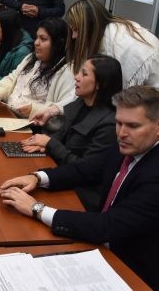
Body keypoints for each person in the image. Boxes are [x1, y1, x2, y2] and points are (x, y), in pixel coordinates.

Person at [0, 86, 159, 290]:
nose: (122, 133)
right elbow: (86, 169)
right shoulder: (132, 144)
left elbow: (107, 226)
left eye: (133, 125)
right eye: (119, 123)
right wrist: (37, 177)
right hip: (112, 248)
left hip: (143, 273)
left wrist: (37, 209)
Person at [20, 54, 122, 210]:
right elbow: (62, 136)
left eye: (84, 74)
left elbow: (87, 171)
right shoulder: (81, 104)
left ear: (99, 84)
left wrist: (50, 143)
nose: (76, 77)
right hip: (59, 174)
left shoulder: (109, 124)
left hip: (79, 192)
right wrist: (44, 144)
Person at [65, 0, 159, 98]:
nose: (74, 36)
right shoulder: (108, 33)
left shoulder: (122, 45)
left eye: (76, 30)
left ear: (91, 26)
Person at [0, 18, 73, 120]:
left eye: (43, 39)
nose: (36, 43)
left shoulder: (66, 71)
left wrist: (34, 110)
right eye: (36, 37)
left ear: (58, 44)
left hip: (32, 124)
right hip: (8, 114)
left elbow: (64, 107)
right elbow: (12, 79)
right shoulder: (31, 58)